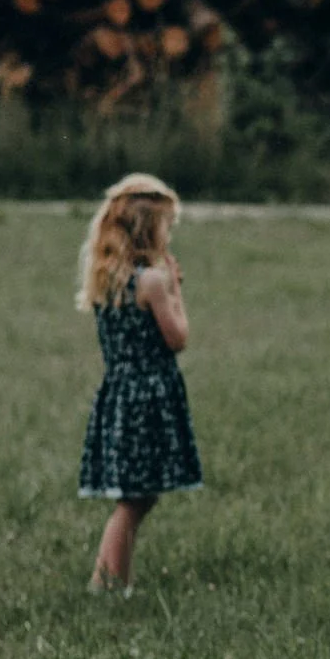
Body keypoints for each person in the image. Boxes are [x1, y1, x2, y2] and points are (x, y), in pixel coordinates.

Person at [76, 172, 201, 591]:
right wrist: (175, 291)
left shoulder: (110, 281)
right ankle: (108, 583)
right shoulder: (152, 282)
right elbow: (178, 338)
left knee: (136, 497)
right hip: (148, 398)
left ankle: (109, 581)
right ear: (149, 228)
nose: (170, 233)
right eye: (167, 224)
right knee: (134, 500)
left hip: (120, 394)